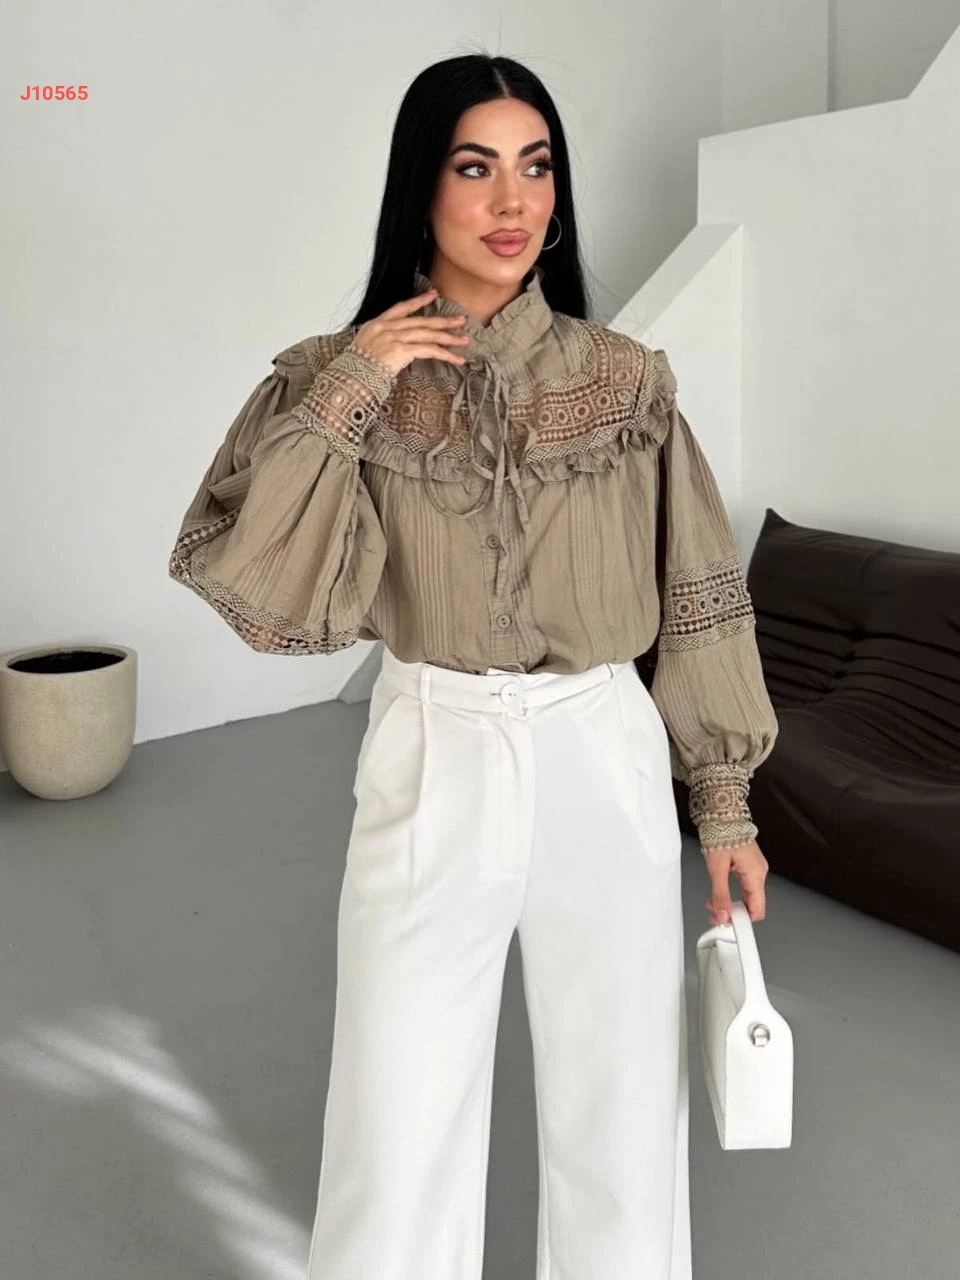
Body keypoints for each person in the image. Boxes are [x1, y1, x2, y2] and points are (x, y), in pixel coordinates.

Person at [168, 51, 778, 1280]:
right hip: (431, 743)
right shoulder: (328, 378)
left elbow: (699, 592)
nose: (514, 201)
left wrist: (724, 802)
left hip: (600, 746)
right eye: (475, 166)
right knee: (394, 1111)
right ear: (422, 187)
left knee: (621, 1102)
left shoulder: (628, 381)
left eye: (537, 167)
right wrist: (360, 379)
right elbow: (253, 575)